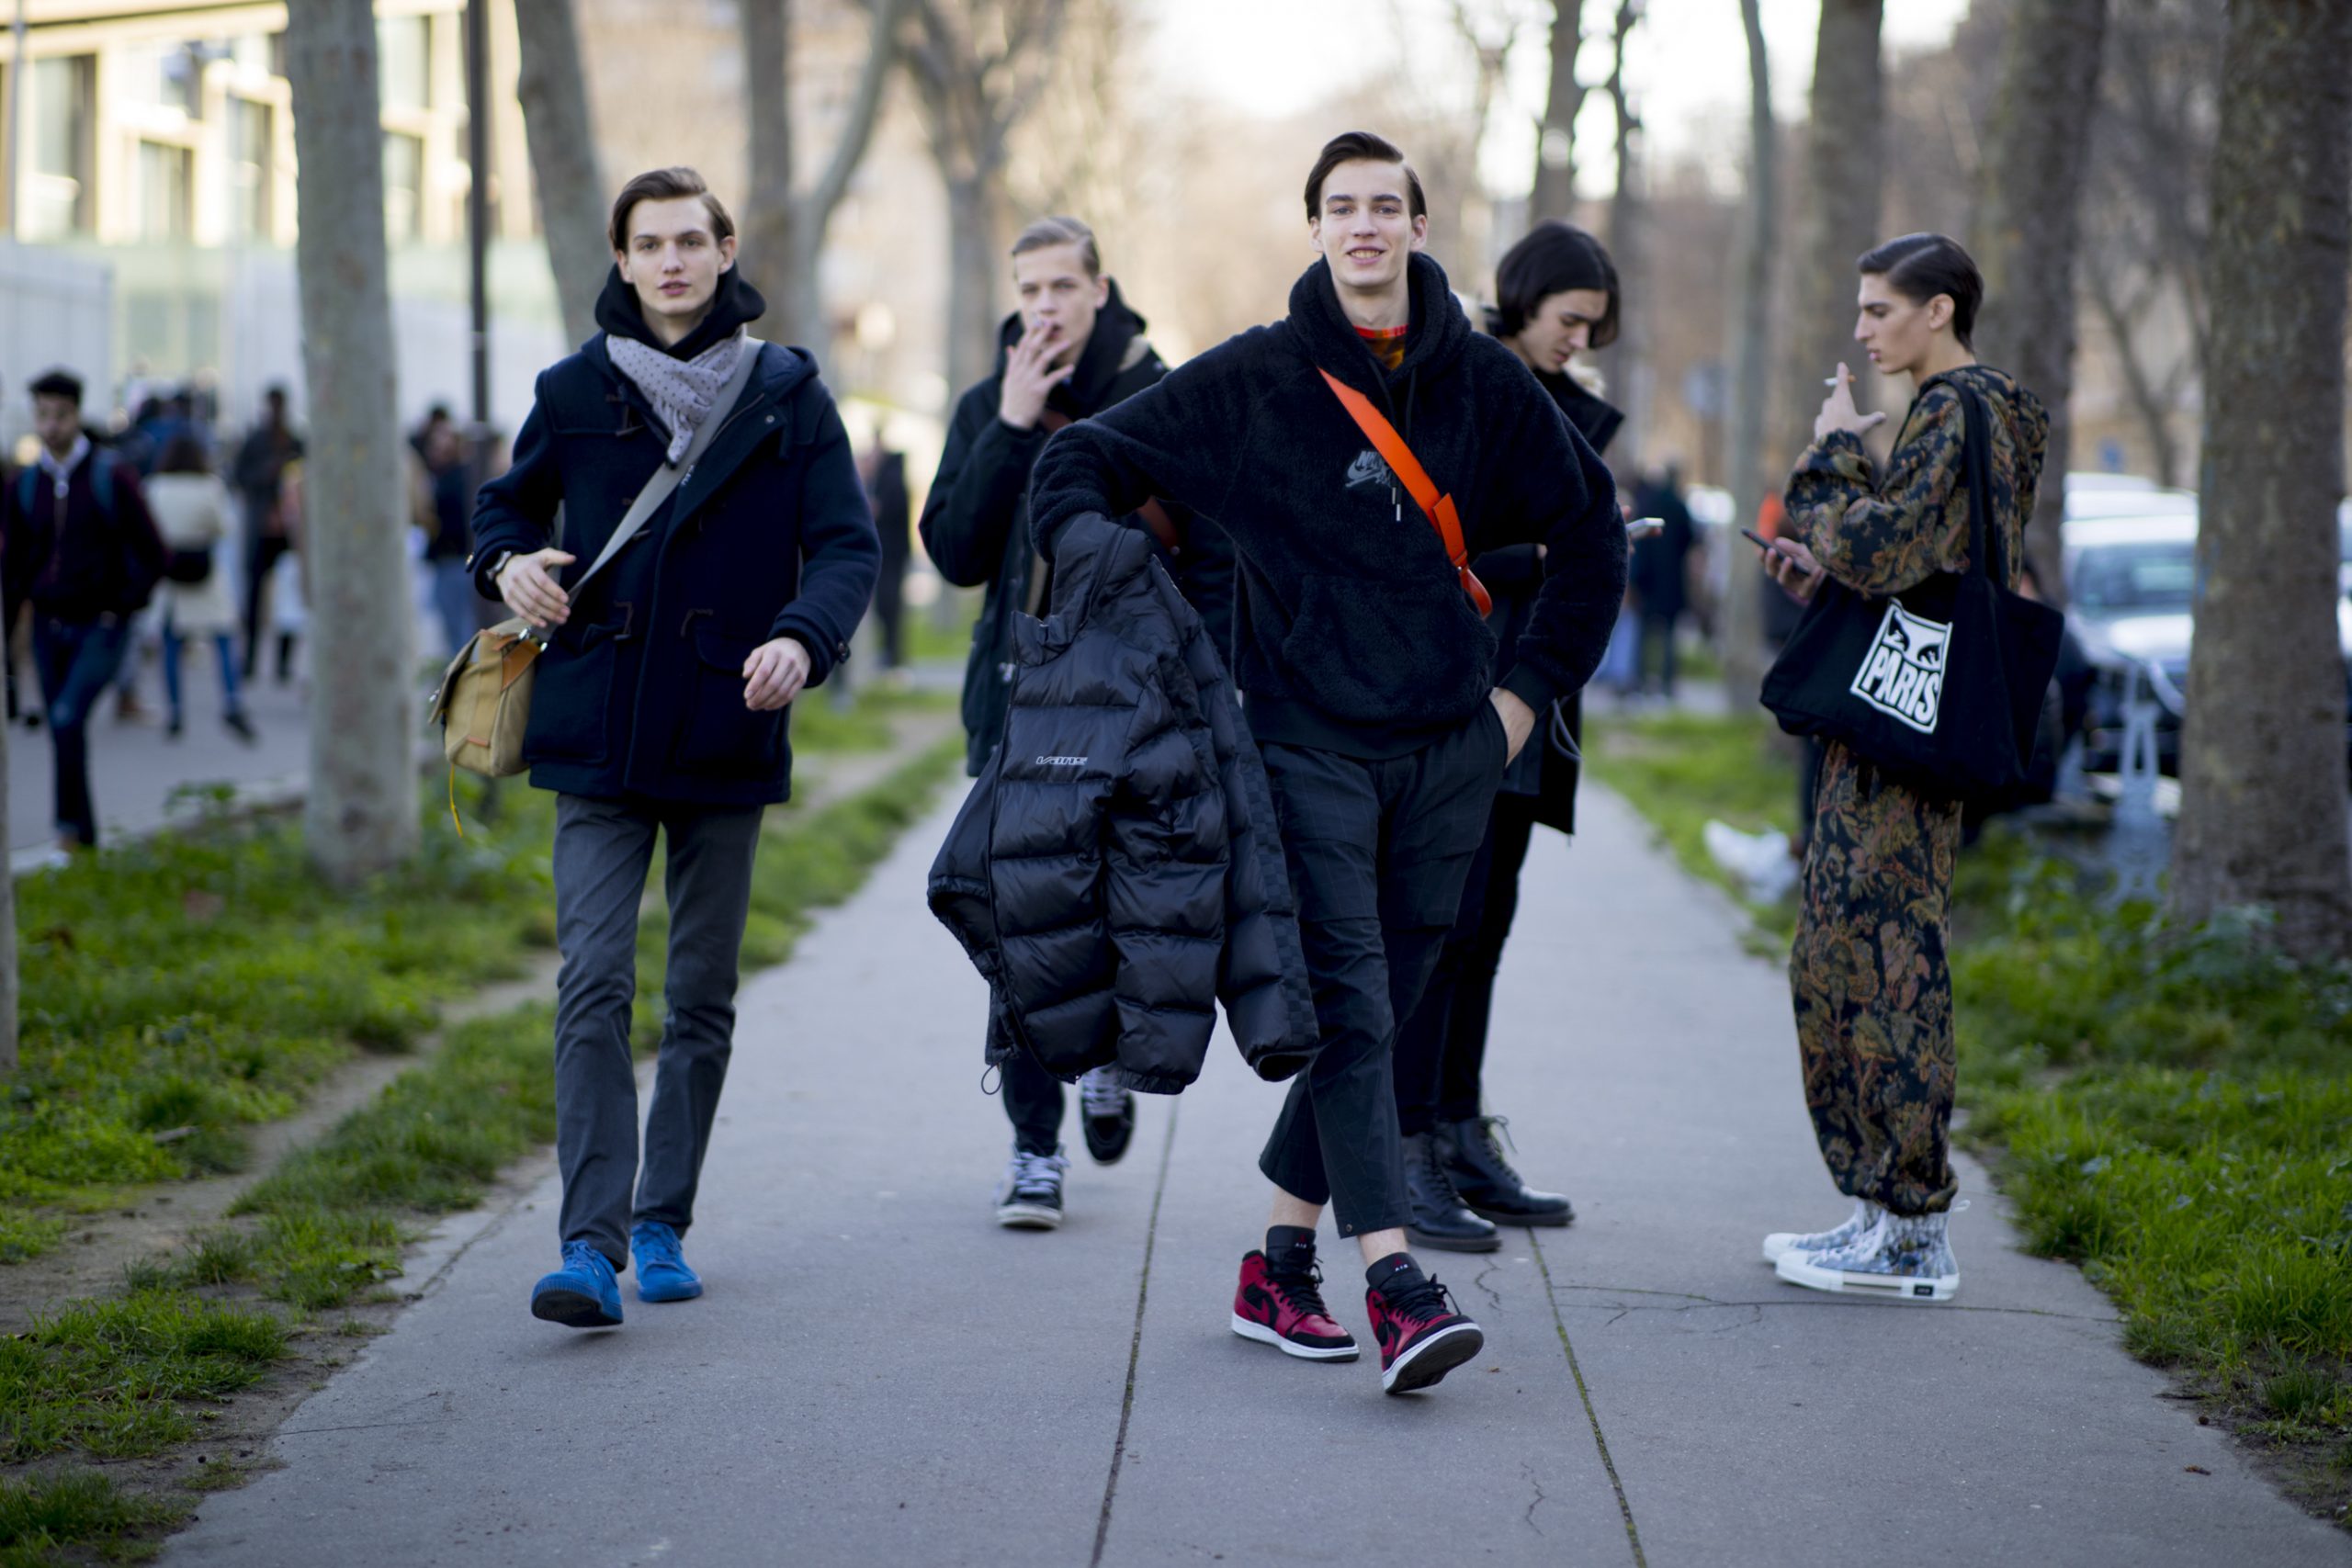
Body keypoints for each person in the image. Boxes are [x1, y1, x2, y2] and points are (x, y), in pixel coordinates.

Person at [1029, 132, 1624, 1394]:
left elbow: (1592, 538)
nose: (1365, 227)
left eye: (1385, 207)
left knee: (1388, 1005)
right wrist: (1115, 584)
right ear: (1315, 230)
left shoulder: (1481, 383)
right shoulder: (1256, 378)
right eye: (1341, 207)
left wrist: (1520, 701)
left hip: (1449, 751)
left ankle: (1276, 1263)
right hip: (1305, 745)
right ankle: (1397, 1283)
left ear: (1416, 225)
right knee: (1354, 996)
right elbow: (1077, 462)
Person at [469, 166, 878, 1329]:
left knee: (698, 993)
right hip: (593, 727)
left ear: (724, 249)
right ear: (621, 255)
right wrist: (508, 564)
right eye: (648, 244)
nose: (671, 262)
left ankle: (662, 1220)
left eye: (690, 241)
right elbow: (503, 508)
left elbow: (847, 547)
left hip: (726, 723)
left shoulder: (789, 393)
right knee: (591, 983)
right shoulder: (572, 387)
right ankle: (587, 1246)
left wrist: (805, 640)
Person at [920, 215, 1235, 1231]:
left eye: (1063, 287)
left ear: (1102, 288)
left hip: (1138, 709)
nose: (1044, 308)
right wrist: (1010, 428)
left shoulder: (1166, 394)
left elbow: (1217, 552)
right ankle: (1032, 1147)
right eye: (1030, 291)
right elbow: (955, 554)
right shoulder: (990, 401)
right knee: (1020, 918)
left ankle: (1100, 1055)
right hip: (1018, 704)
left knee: (1118, 905)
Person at [1758, 231, 2048, 1302]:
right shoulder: (1975, 413)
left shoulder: (1956, 407)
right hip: (1899, 709)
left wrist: (1830, 451)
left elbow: (1883, 547)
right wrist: (1823, 572)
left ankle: (1914, 1231)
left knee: (1882, 960)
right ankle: (1880, 1210)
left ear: (1939, 311)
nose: (1862, 329)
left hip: (1904, 731)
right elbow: (1915, 561)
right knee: (1840, 948)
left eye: (1880, 310)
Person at [1388, 220, 1623, 1253]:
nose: (1580, 339)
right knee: (1437, 930)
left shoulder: (1563, 408)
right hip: (1458, 690)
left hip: (1534, 693)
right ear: (1523, 299)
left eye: (1593, 327)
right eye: (1570, 319)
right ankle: (1402, 1154)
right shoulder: (1462, 381)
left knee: (1484, 932)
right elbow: (1424, 533)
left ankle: (1455, 1130)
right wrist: (1544, 555)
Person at [4, 369, 166, 852]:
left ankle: (67, 835)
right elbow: (11, 566)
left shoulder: (110, 476)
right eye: (42, 416)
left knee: (68, 717)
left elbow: (155, 552)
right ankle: (84, 838)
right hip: (47, 627)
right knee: (62, 728)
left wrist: (124, 605)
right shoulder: (24, 486)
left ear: (77, 414)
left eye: (60, 415)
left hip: (101, 625)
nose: (50, 426)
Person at [144, 434, 256, 743]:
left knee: (171, 644)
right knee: (222, 638)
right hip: (204, 570)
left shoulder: (155, 487)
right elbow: (224, 527)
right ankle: (232, 701)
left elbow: (147, 529)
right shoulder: (210, 487)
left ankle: (175, 711)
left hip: (170, 574)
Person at [232, 386, 303, 682]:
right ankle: (249, 659)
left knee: (290, 597)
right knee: (253, 596)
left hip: (288, 530)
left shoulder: (295, 441)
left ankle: (283, 663)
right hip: (260, 528)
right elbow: (238, 477)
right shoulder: (256, 441)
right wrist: (267, 473)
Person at [1628, 465, 1696, 699]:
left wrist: (1636, 578)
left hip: (1648, 579)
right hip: (1671, 579)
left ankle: (1640, 681)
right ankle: (1666, 685)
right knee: (1667, 633)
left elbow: (1640, 544)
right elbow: (1690, 539)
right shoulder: (1679, 505)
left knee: (1644, 634)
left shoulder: (1647, 504)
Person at [415, 420, 479, 658]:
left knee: (460, 627)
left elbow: (447, 520)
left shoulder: (458, 478)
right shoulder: (444, 476)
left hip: (456, 559)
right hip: (448, 560)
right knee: (453, 626)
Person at [859, 430, 910, 671]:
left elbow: (886, 508)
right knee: (885, 606)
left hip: (892, 552)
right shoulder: (885, 476)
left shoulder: (892, 478)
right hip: (888, 551)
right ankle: (889, 653)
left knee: (890, 605)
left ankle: (893, 655)